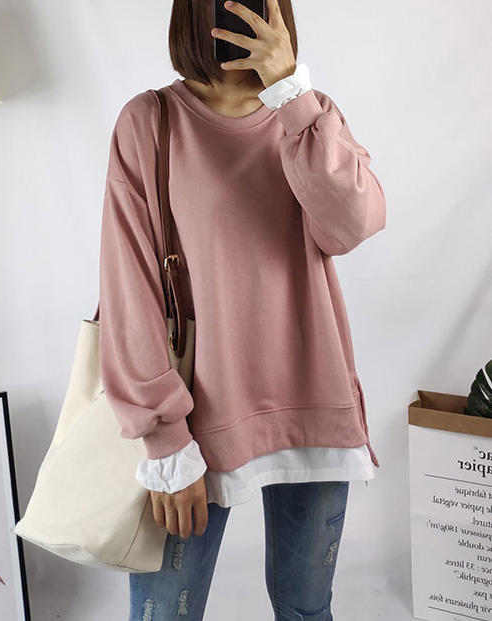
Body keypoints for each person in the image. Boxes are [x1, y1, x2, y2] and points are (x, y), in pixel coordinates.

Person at [98, 0, 386, 619]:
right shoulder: (150, 122)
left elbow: (352, 226)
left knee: (307, 610)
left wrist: (292, 95)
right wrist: (165, 439)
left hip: (313, 404)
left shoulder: (310, 117)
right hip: (196, 423)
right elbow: (128, 289)